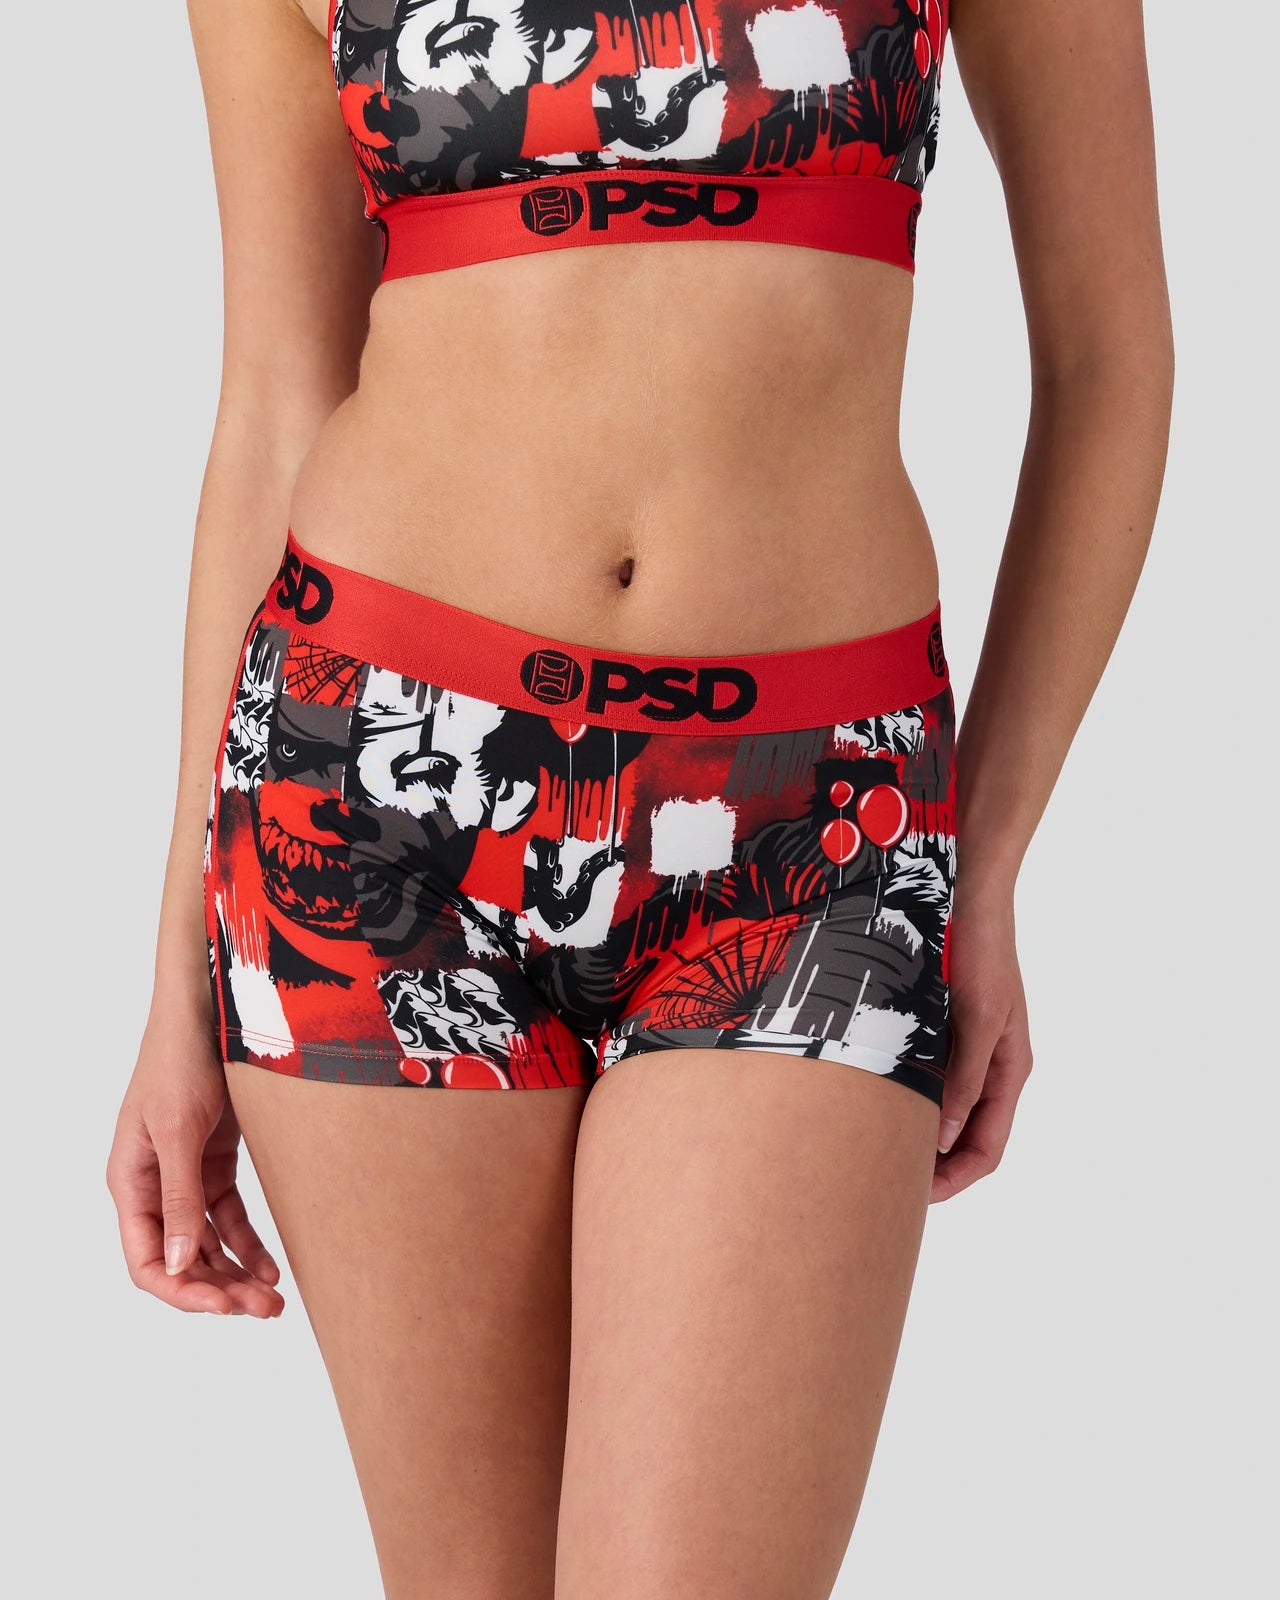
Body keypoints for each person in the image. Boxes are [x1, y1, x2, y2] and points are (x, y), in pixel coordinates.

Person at [107, 1, 1173, 1594]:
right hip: (374, 802)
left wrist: (995, 855)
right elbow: (274, 397)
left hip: (819, 828)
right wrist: (173, 983)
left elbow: (1110, 360)